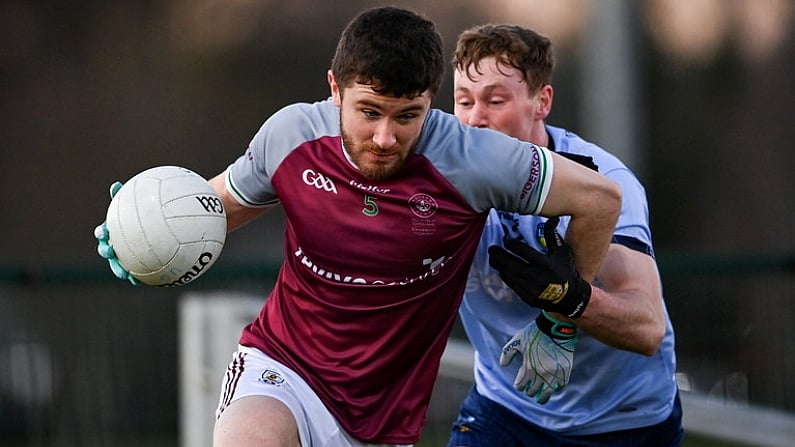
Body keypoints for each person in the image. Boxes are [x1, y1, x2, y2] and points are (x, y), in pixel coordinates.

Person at [94, 8, 621, 447]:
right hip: (284, 367)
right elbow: (221, 205)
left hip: (386, 418)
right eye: (369, 111)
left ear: (430, 100)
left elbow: (600, 198)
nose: (386, 137)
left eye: (407, 116)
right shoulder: (291, 135)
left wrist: (561, 318)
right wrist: (148, 228)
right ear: (335, 89)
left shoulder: (476, 162)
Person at [447, 23, 683, 446]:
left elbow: (647, 328)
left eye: (494, 101)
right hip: (506, 408)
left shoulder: (604, 184)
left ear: (542, 102)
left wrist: (569, 300)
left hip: (622, 422)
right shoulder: (438, 177)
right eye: (463, 101)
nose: (474, 119)